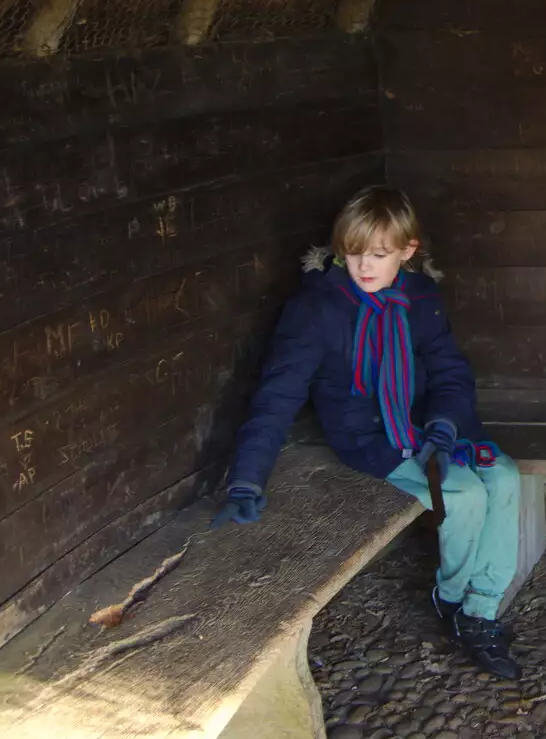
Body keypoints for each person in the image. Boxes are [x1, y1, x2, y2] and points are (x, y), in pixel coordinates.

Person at [211, 185, 523, 679]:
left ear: (407, 251)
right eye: (353, 254)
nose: (364, 267)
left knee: (505, 479)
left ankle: (482, 608)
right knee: (464, 495)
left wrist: (444, 422)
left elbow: (450, 372)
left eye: (378, 254)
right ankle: (455, 601)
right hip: (373, 436)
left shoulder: (420, 297)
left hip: (433, 426)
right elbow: (278, 394)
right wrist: (247, 477)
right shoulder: (317, 309)